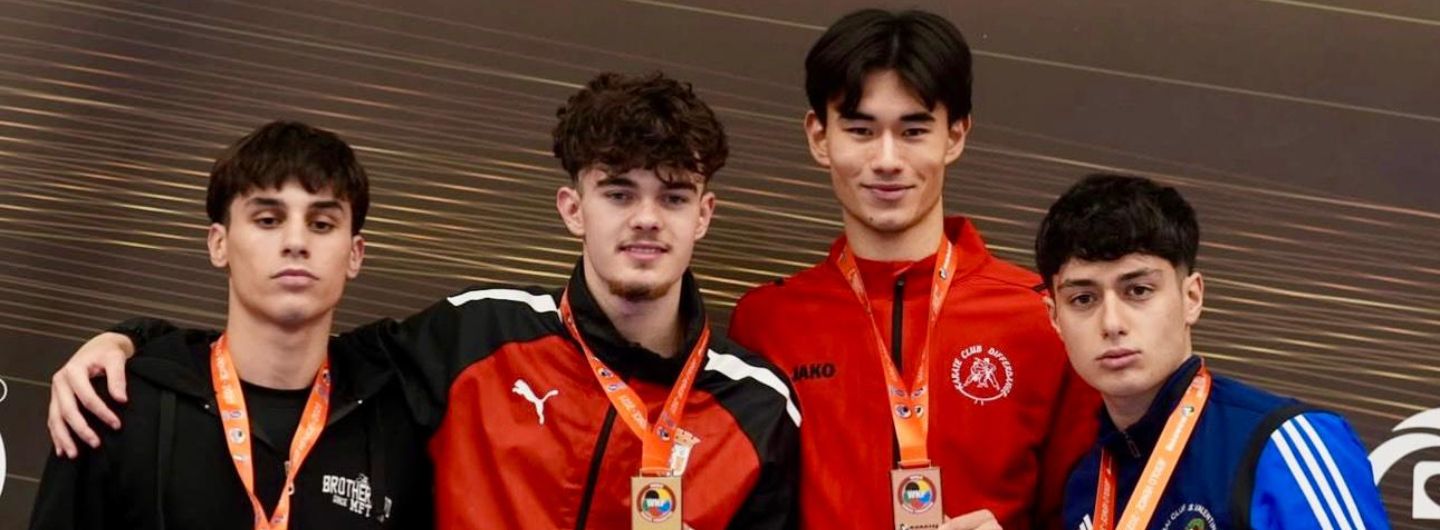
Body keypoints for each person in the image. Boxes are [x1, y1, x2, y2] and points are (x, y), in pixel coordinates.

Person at [45, 72, 800, 529]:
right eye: (619, 192)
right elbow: (288, 339)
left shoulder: (759, 405)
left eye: (673, 196)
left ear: (704, 215)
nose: (645, 219)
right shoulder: (476, 335)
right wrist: (128, 339)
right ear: (573, 208)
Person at [728, 8, 1099, 530]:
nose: (887, 160)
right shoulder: (767, 321)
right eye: (860, 129)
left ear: (955, 135)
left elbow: (1092, 512)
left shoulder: (1041, 315)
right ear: (819, 137)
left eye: (914, 130)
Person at [29, 120, 434, 529]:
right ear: (218, 244)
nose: (296, 242)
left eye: (322, 224)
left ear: (355, 254)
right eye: (268, 220)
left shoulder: (400, 422)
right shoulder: (117, 405)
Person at [1036, 174, 1390, 529]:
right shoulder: (1086, 487)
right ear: (1055, 317)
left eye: (1138, 291)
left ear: (1191, 298)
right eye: (1083, 299)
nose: (1112, 323)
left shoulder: (1284, 443)